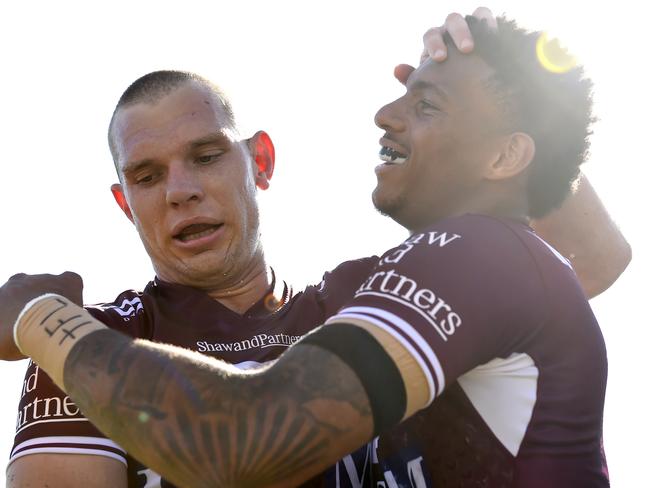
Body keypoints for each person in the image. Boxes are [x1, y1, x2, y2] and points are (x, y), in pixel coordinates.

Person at [1, 12, 627, 488]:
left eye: (207, 156)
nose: (181, 191)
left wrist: (510, 102)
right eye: (147, 176)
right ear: (124, 203)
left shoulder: (370, 295)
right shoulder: (94, 343)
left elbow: (590, 261)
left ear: (261, 162)